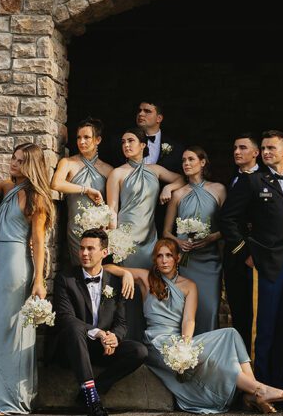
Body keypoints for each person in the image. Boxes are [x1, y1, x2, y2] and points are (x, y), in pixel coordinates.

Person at [122, 239, 283, 414]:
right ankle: (258, 390)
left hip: (179, 340)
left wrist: (185, 346)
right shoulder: (146, 278)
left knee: (231, 334)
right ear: (155, 260)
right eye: (159, 256)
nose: (164, 260)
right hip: (157, 342)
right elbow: (107, 268)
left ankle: (253, 391)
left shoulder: (189, 286)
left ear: (178, 258)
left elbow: (189, 320)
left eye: (169, 255)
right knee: (217, 360)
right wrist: (127, 274)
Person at [0, 143, 55, 416]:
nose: (13, 163)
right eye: (13, 159)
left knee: (10, 330)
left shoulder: (37, 198)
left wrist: (39, 280)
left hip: (16, 265)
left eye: (19, 161)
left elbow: (38, 243)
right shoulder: (7, 187)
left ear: (31, 165)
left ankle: (9, 398)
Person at [219, 129, 283, 389]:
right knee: (261, 328)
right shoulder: (252, 181)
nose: (266, 152)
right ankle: (258, 387)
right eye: (264, 148)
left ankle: (279, 382)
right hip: (264, 264)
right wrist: (245, 254)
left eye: (271, 148)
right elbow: (228, 220)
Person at [49, 229, 148, 416]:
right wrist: (99, 333)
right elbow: (65, 318)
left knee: (139, 351)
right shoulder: (66, 279)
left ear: (104, 252)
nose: (84, 253)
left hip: (100, 349)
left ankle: (93, 389)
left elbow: (121, 323)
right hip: (71, 348)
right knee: (75, 327)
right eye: (82, 248)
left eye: (90, 249)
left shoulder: (115, 283)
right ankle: (92, 402)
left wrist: (114, 338)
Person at [106, 127, 183, 339]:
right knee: (127, 288)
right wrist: (113, 240)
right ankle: (127, 338)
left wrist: (168, 188)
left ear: (143, 145)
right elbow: (112, 208)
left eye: (131, 141)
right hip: (126, 239)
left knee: (149, 288)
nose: (126, 145)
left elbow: (181, 179)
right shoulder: (117, 173)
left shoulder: (156, 170)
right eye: (123, 142)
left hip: (149, 239)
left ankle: (149, 339)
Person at [163, 147, 226, 333]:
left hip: (210, 259)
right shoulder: (178, 194)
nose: (186, 164)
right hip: (186, 260)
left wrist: (212, 237)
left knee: (210, 307)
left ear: (203, 162)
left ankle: (209, 353)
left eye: (191, 159)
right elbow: (166, 232)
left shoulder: (219, 189)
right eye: (183, 160)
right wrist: (178, 242)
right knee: (187, 310)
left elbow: (228, 227)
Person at [50, 117, 113, 266]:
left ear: (98, 140)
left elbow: (112, 204)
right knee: (79, 270)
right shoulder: (68, 162)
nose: (81, 142)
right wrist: (86, 190)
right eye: (79, 137)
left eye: (86, 137)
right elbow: (56, 184)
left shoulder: (108, 170)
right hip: (75, 230)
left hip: (99, 231)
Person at [222, 134, 261, 349]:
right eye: (235, 148)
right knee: (238, 312)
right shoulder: (232, 178)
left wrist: (249, 253)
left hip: (255, 256)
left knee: (253, 313)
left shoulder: (263, 179)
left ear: (256, 153)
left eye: (243, 148)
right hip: (236, 255)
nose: (237, 152)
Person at [136, 99, 184, 173]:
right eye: (139, 110)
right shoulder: (123, 142)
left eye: (147, 111)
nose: (140, 114)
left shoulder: (176, 148)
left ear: (159, 118)